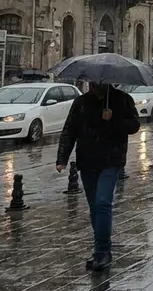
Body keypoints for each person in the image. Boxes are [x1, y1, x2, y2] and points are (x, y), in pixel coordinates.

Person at [55, 79, 140, 272]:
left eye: (97, 83)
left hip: (111, 160)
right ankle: (104, 247)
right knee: (95, 207)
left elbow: (134, 125)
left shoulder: (122, 100)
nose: (93, 86)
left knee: (103, 203)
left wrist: (114, 120)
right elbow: (70, 130)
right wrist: (62, 158)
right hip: (87, 160)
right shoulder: (81, 102)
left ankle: (101, 252)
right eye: (91, 83)